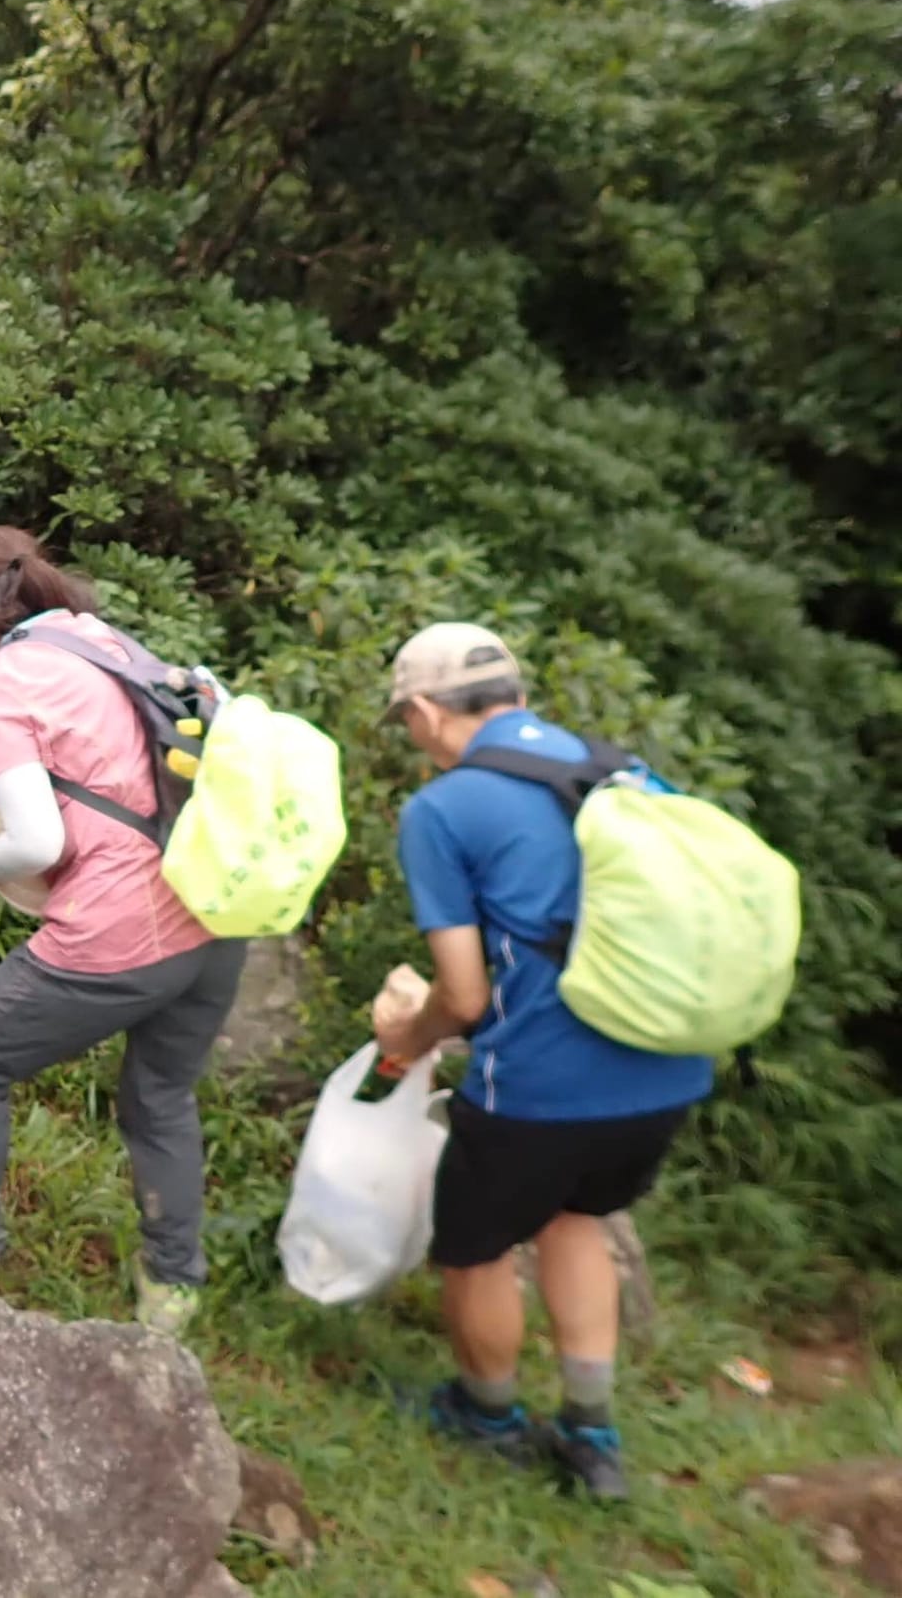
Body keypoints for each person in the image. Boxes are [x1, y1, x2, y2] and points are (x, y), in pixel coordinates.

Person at [0, 527, 247, 1337]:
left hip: (124, 925)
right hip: (213, 913)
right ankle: (172, 1288)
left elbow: (39, 844)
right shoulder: (99, 643)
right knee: (160, 1092)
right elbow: (108, 778)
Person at [373, 622, 713, 1501]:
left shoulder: (444, 807)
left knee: (477, 1243)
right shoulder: (621, 770)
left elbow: (467, 996)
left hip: (538, 1082)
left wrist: (405, 1037)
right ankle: (592, 1432)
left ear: (422, 709)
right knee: (576, 1218)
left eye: (404, 720)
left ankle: (486, 1415)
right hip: (668, 1067)